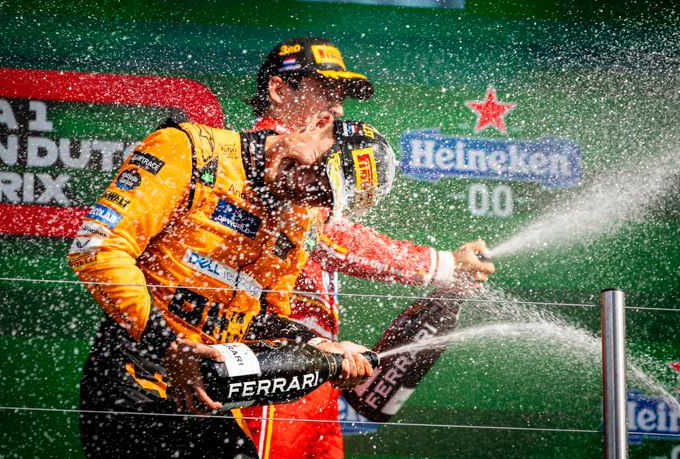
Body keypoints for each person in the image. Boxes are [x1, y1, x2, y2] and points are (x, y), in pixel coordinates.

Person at [69, 113, 396, 458]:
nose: (306, 186)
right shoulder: (190, 150)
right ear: (317, 124)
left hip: (208, 391)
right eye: (319, 167)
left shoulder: (303, 217)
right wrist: (170, 347)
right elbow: (96, 250)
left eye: (324, 194)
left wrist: (319, 347)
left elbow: (259, 318)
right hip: (136, 373)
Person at [242, 37, 495, 459]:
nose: (338, 108)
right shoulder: (263, 158)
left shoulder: (315, 167)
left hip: (317, 369)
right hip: (270, 365)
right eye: (325, 91)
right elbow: (327, 240)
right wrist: (444, 265)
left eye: (340, 95)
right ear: (279, 90)